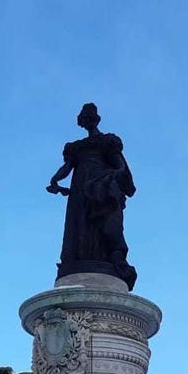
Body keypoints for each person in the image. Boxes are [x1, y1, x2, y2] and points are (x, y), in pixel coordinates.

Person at [47, 102, 137, 288]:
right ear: (83, 122)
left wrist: (110, 179)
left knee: (108, 224)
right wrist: (55, 179)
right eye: (85, 118)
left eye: (90, 117)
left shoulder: (107, 141)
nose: (88, 121)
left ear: (96, 120)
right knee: (81, 226)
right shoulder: (76, 147)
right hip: (81, 189)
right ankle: (82, 259)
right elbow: (67, 167)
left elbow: (119, 166)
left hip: (102, 187)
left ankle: (112, 257)